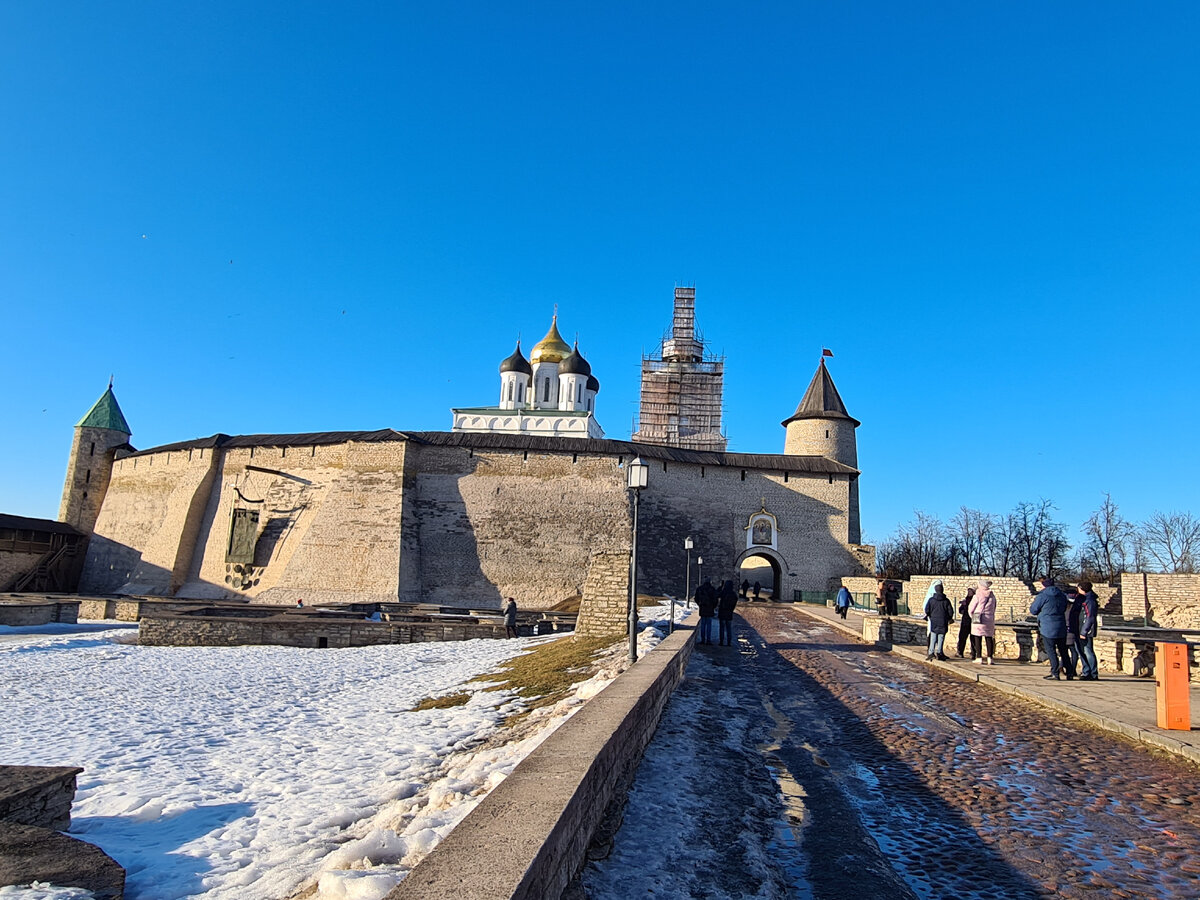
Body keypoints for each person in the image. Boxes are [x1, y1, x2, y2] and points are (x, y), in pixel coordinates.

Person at [1031, 576, 1075, 680]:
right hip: (1061, 625)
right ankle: (1069, 672)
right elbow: (1065, 607)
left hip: (1047, 626)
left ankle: (1055, 672)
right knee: (1063, 650)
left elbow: (1033, 610)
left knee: (1051, 650)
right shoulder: (1062, 595)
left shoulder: (1043, 596)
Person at [1074, 580, 1100, 680]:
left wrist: (1084, 631)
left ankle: (1092, 673)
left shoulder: (1090, 600)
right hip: (1080, 627)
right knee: (1081, 651)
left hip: (1086, 630)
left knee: (1088, 651)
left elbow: (1090, 617)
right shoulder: (1083, 599)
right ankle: (1086, 671)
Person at [968, 580, 998, 665]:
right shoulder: (992, 595)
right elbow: (994, 606)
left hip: (979, 618)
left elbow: (971, 607)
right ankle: (990, 657)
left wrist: (972, 615)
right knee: (989, 638)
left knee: (977, 637)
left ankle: (979, 657)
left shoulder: (978, 595)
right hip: (989, 618)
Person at [925, 582, 954, 660]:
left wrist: (930, 615)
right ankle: (939, 652)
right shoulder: (946, 601)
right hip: (943, 621)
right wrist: (949, 618)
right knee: (941, 636)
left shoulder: (931, 600)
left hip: (934, 620)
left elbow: (927, 609)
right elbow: (950, 611)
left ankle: (931, 652)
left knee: (933, 636)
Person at [695, 578, 718, 645]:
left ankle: (703, 639)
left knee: (703, 625)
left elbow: (696, 598)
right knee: (709, 625)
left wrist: (700, 604)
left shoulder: (700, 589)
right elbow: (715, 600)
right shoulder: (712, 589)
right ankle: (708, 640)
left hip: (702, 608)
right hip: (710, 609)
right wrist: (713, 606)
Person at [717, 579, 739, 646]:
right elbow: (735, 601)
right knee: (728, 628)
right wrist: (731, 609)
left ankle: (721, 641)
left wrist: (720, 587)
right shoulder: (733, 593)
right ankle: (729, 642)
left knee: (722, 628)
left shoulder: (724, 592)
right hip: (729, 613)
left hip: (722, 612)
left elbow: (717, 595)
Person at [956, 586, 976, 658]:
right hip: (965, 621)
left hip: (973, 621)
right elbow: (960, 610)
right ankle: (960, 652)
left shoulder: (975, 600)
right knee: (962, 637)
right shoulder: (965, 600)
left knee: (973, 638)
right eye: (968, 592)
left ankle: (974, 653)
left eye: (971, 592)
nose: (969, 593)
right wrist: (962, 608)